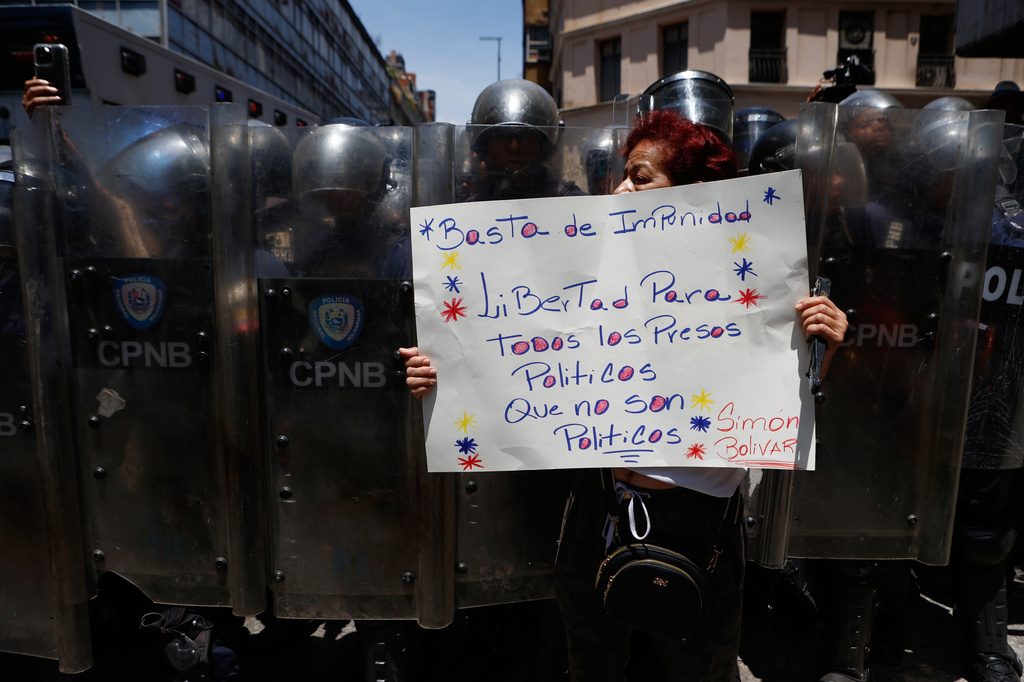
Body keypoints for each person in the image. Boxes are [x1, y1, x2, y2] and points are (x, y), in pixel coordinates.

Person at [401, 109, 849, 681]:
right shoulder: (586, 265)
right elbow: (505, 345)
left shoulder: (756, 282)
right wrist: (441, 374)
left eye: (640, 177)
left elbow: (782, 392)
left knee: (699, 667)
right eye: (624, 175)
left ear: (695, 193)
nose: (620, 189)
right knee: (592, 661)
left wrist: (823, 347)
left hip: (697, 517)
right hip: (598, 502)